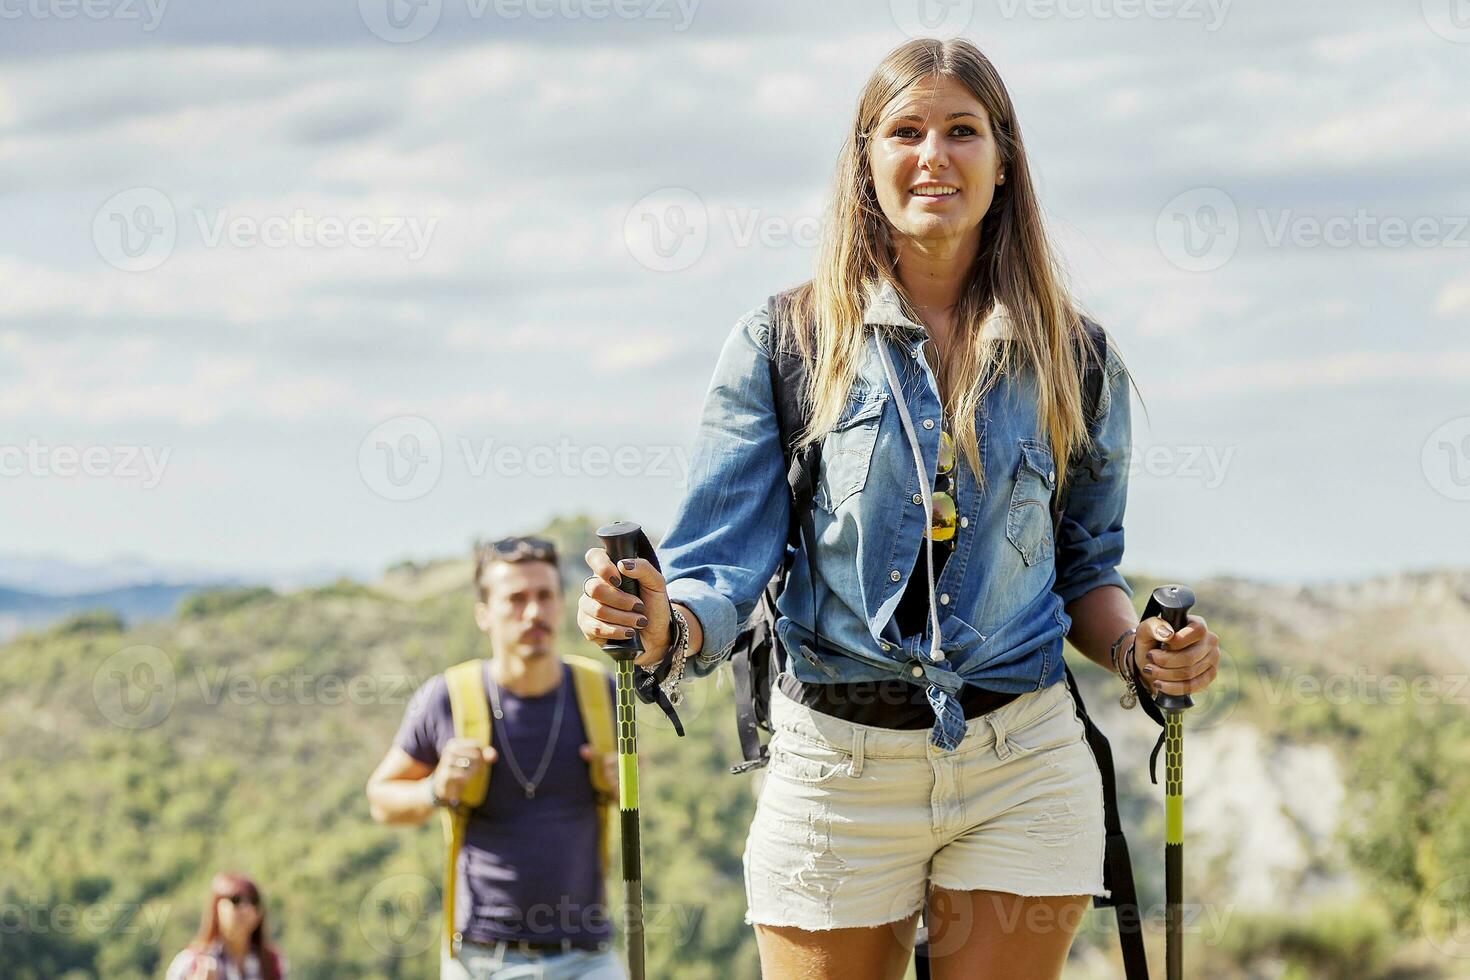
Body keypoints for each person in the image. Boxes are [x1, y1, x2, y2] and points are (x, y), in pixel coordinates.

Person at [577, 37, 1223, 980]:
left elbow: (1085, 564)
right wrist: (661, 626)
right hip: (838, 766)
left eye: (962, 131)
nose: (934, 155)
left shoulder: (1075, 355)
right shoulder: (783, 340)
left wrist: (1143, 652)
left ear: (1003, 162)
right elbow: (720, 567)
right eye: (906, 130)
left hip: (1023, 757)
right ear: (865, 160)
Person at [366, 536, 626, 980]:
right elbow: (380, 799)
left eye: (545, 596)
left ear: (561, 604)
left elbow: (635, 788)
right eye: (516, 599)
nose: (533, 613)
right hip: (483, 959)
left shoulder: (599, 692)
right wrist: (436, 789)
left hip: (588, 956)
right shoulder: (447, 698)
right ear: (484, 614)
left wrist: (623, 783)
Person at [164, 872, 287, 980]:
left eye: (253, 901)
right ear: (216, 907)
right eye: (236, 900)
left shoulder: (272, 964)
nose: (246, 909)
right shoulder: (190, 964)